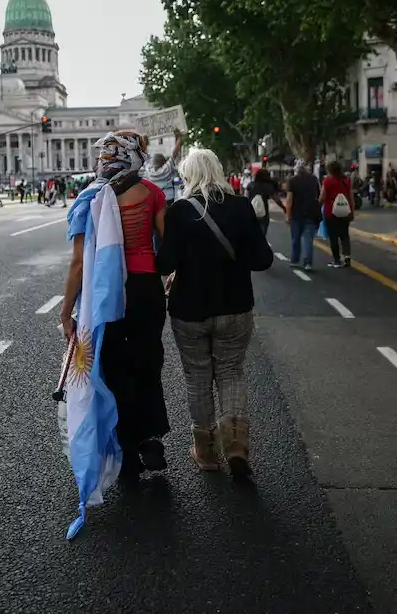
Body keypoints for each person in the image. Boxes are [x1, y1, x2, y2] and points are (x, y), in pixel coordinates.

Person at [59, 129, 170, 483]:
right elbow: (165, 249)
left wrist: (66, 310)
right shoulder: (153, 193)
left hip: (107, 295)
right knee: (149, 361)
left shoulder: (89, 198)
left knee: (115, 367)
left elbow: (78, 264)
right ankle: (151, 437)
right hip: (146, 288)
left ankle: (126, 448)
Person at [157, 148, 273, 477]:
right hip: (235, 307)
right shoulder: (240, 207)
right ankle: (235, 446)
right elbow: (263, 259)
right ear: (219, 170)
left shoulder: (179, 211)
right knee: (231, 373)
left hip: (189, 310)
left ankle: (205, 452)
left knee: (197, 378)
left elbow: (164, 263)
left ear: (188, 176)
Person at [285, 159, 321, 271]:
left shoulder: (292, 180)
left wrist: (288, 215)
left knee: (295, 238)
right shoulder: (314, 179)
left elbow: (289, 200)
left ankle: (295, 260)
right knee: (308, 240)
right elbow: (318, 196)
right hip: (311, 213)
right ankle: (307, 263)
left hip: (296, 214)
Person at [319, 161, 355, 268]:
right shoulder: (346, 180)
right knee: (344, 235)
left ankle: (337, 260)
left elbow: (322, 197)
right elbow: (351, 197)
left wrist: (317, 205)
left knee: (333, 236)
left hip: (331, 212)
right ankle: (347, 256)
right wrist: (352, 212)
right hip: (345, 211)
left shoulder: (328, 181)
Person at [143, 128, 183, 206]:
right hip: (168, 198)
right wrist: (178, 138)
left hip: (155, 199)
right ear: (164, 162)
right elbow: (174, 154)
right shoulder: (167, 169)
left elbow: (144, 155)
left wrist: (144, 142)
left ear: (153, 163)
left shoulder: (149, 171)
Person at [246, 167, 285, 235]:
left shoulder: (250, 185)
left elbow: (246, 198)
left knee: (252, 235)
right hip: (263, 214)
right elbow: (276, 199)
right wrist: (284, 208)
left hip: (251, 213)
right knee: (262, 236)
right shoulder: (268, 187)